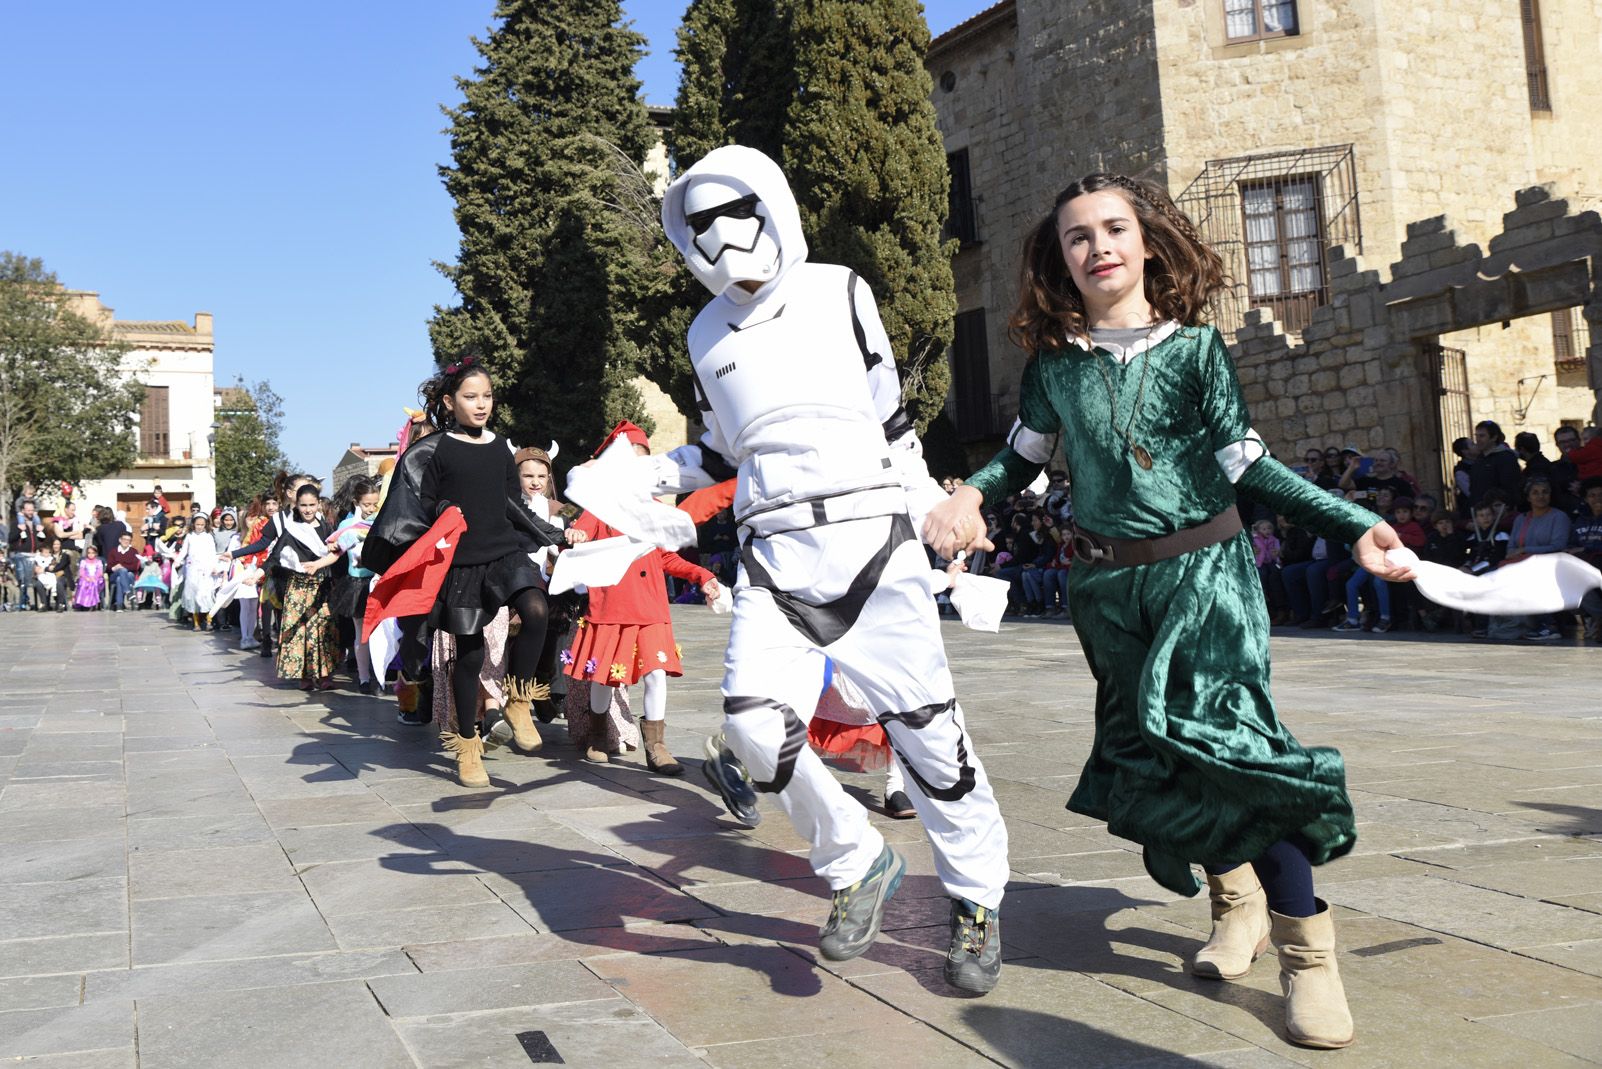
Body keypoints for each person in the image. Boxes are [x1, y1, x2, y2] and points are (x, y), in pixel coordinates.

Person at [926, 172, 1416, 1048]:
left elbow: (1250, 467)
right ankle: (1238, 904)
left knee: (1237, 753)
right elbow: (1019, 462)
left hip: (1207, 581)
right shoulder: (1055, 367)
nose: (1099, 246)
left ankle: (1309, 957)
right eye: (1078, 236)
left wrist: (1355, 524)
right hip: (1109, 593)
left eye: (1115, 228)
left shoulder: (1195, 351)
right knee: (1162, 755)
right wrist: (970, 495)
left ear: (1147, 242)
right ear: (1061, 260)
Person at [653, 145, 1010, 994]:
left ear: (770, 204)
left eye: (733, 212)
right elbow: (714, 448)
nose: (721, 237)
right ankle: (854, 860)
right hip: (772, 554)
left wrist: (937, 508)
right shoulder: (705, 334)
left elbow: (891, 419)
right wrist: (642, 477)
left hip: (871, 542)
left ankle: (975, 899)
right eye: (698, 224)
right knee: (748, 725)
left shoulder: (842, 290)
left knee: (929, 739)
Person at [362, 357, 562, 786]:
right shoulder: (433, 449)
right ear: (450, 402)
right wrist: (441, 511)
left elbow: (511, 503)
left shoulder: (500, 446)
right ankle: (467, 746)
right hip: (462, 563)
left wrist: (551, 534)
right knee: (469, 657)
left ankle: (518, 700)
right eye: (471, 397)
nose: (481, 404)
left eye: (487, 396)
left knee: (537, 610)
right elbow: (415, 501)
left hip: (504, 554)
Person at [563, 421, 720, 776]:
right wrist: (575, 533)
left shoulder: (655, 510)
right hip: (610, 608)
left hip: (651, 608)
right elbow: (582, 529)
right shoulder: (600, 508)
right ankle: (598, 732)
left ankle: (657, 745)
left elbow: (667, 557)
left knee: (656, 674)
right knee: (603, 677)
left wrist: (703, 575)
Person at [1506, 476, 1572, 642]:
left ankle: (1548, 625)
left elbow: (1558, 545)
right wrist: (1518, 553)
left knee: (1536, 578)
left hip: (1552, 564)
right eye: (1535, 493)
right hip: (1523, 564)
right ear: (1528, 497)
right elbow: (1511, 548)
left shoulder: (1559, 517)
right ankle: (1498, 626)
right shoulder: (1521, 519)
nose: (1540, 496)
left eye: (1545, 492)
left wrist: (1526, 550)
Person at [177, 513, 221, 631]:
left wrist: (214, 566)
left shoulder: (208, 537)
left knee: (206, 594)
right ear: (193, 524)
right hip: (192, 570)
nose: (200, 527)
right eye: (197, 524)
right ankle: (196, 622)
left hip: (206, 570)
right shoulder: (190, 536)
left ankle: (208, 621)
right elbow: (184, 551)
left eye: (202, 524)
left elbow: (212, 553)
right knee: (193, 595)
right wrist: (177, 560)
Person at [1467, 421, 1523, 509]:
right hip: (1481, 513)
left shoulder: (1506, 458)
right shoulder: (1479, 459)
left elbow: (1511, 487)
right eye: (1476, 436)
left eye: (1482, 436)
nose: (1477, 440)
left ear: (1494, 437)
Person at [8, 500, 44, 610]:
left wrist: (41, 532)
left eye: (32, 510)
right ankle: (23, 602)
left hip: (34, 555)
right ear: (23, 510)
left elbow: (42, 541)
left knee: (36, 580)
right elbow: (10, 539)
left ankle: (39, 603)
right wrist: (19, 530)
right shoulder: (16, 523)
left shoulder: (36, 523)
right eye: (28, 510)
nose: (30, 512)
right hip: (22, 555)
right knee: (22, 581)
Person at [106, 531, 140, 611]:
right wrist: (114, 568)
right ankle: (128, 593)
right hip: (114, 574)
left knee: (120, 578)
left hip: (129, 576)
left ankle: (119, 605)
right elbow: (108, 567)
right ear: (120, 540)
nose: (126, 541)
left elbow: (135, 567)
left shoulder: (133, 552)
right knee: (120, 574)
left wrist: (122, 567)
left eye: (128, 540)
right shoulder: (113, 551)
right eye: (124, 539)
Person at [73, 544, 106, 611]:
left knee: (93, 584)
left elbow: (100, 572)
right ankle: (83, 603)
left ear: (96, 553)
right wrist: (86, 578)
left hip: (97, 578)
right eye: (89, 553)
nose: (91, 554)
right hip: (86, 578)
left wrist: (94, 577)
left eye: (92, 553)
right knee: (83, 583)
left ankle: (92, 604)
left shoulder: (98, 562)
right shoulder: (84, 561)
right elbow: (81, 572)